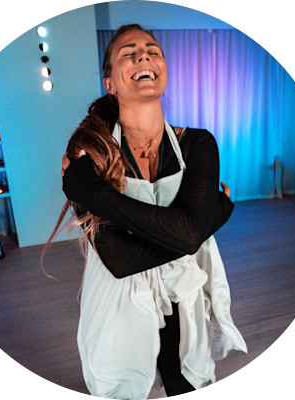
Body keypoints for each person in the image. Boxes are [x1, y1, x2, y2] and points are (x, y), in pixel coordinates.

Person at [56, 24, 247, 399]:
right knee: (122, 388)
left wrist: (93, 193)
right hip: (118, 299)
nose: (143, 55)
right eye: (128, 53)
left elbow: (188, 234)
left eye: (152, 50)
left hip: (184, 294)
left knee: (182, 381)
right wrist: (210, 221)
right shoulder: (90, 153)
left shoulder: (198, 144)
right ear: (110, 83)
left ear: (163, 69)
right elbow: (120, 259)